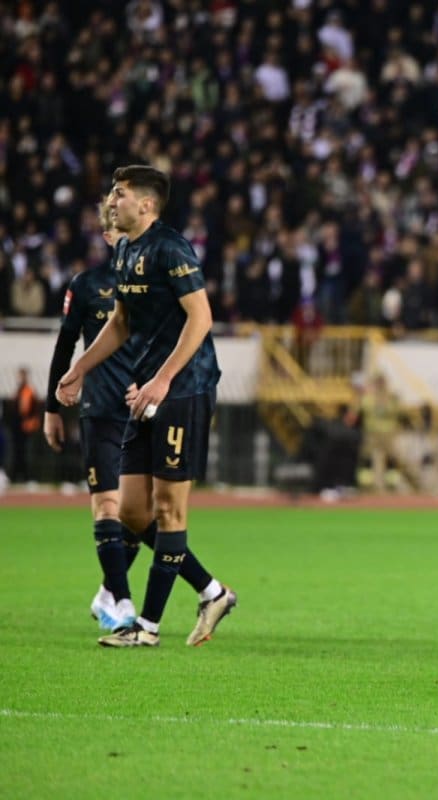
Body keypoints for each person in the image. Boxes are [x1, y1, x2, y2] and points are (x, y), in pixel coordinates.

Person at [56, 165, 233, 648]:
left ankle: (148, 628)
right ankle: (213, 593)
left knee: (170, 510)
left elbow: (201, 318)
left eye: (120, 194)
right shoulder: (126, 252)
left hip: (185, 389)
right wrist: (79, 368)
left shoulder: (171, 247)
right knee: (133, 510)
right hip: (151, 389)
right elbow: (119, 324)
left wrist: (162, 379)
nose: (112, 201)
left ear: (146, 205)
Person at [12, 366, 41, 483]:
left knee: (28, 453)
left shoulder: (29, 390)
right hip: (19, 428)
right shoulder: (19, 390)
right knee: (19, 452)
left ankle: (29, 477)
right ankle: (19, 476)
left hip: (28, 427)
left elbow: (29, 409)